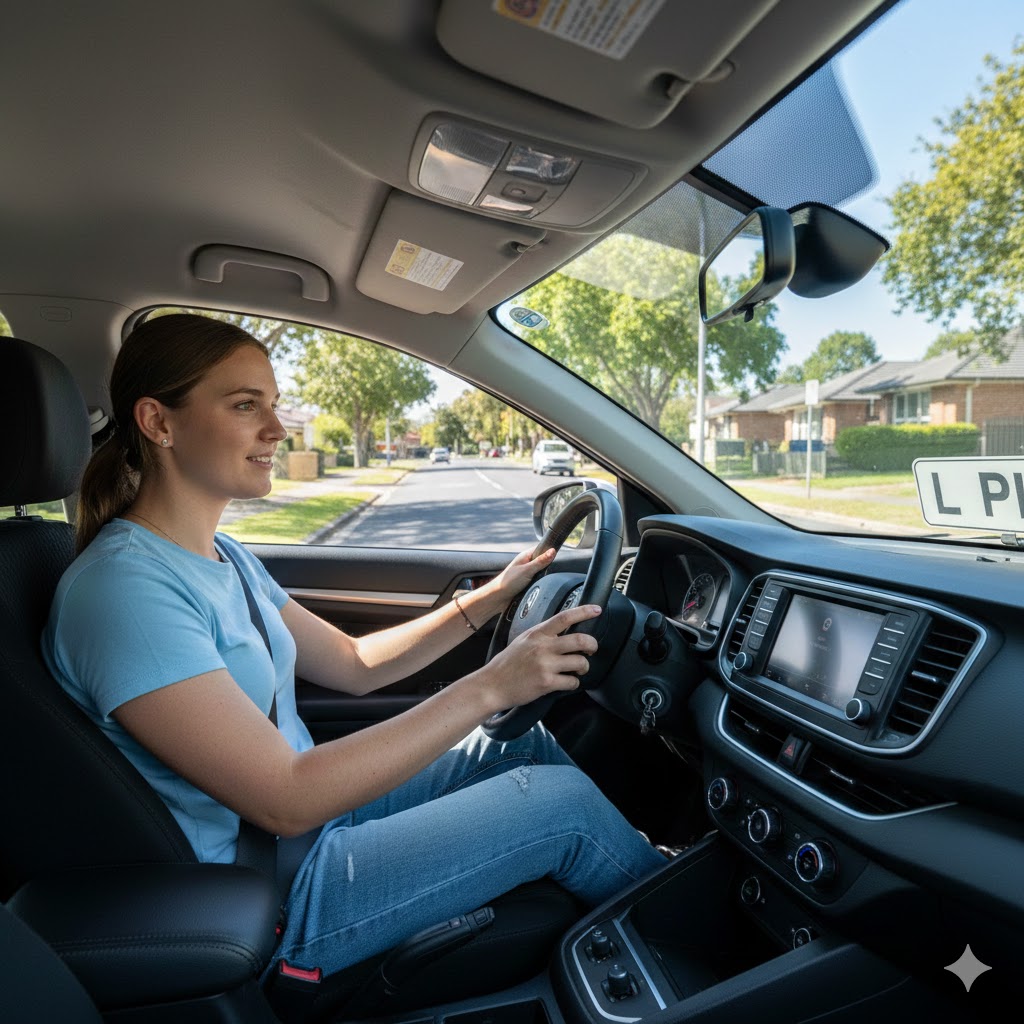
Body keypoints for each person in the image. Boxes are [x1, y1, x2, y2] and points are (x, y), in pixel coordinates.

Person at [42, 312, 666, 980]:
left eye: (274, 405)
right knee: (561, 810)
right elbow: (284, 796)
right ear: (158, 423)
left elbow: (353, 664)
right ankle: (694, 932)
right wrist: (493, 685)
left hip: (303, 831)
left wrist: (490, 599)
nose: (278, 429)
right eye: (245, 405)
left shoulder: (220, 555)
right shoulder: (124, 592)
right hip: (268, 889)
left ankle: (648, 876)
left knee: (516, 744)